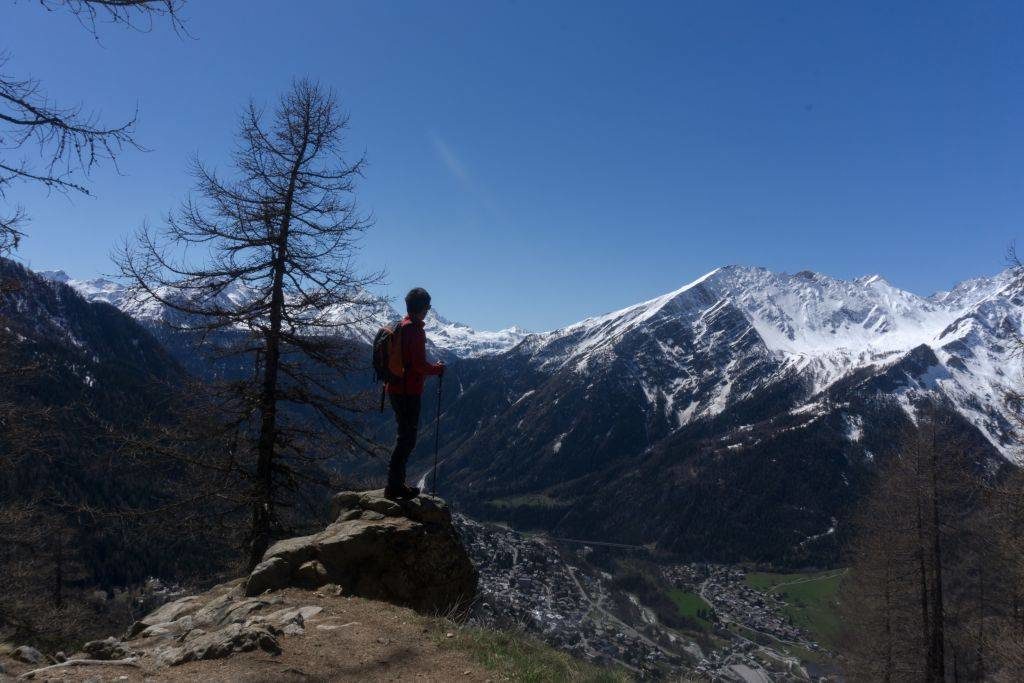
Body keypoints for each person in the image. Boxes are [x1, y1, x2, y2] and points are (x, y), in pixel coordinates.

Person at [385, 287, 445, 499]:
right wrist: (437, 369)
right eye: (428, 307)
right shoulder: (415, 330)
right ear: (422, 308)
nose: (428, 310)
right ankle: (394, 486)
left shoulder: (401, 326)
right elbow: (418, 365)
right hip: (408, 391)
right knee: (407, 439)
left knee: (404, 437)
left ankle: (395, 483)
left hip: (395, 389)